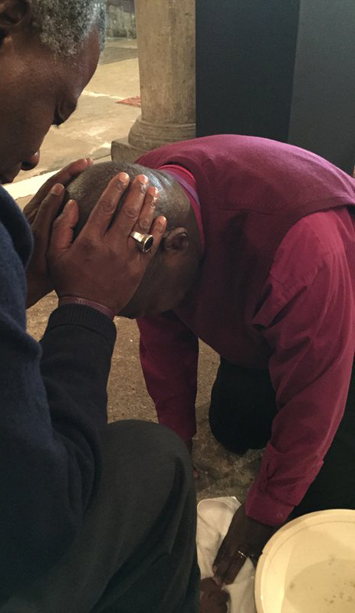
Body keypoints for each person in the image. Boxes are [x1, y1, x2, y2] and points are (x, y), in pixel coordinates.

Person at [0, 1, 229, 612]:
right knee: (158, 461)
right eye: (56, 111)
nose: (32, 157)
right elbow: (38, 518)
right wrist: (86, 309)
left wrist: (10, 279)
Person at [63, 136, 355, 585]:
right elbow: (161, 332)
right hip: (266, 319)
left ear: (177, 245)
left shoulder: (305, 251)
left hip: (340, 316)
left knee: (318, 506)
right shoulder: (143, 199)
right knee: (232, 427)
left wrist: (263, 511)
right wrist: (175, 435)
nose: (139, 318)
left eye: (138, 307)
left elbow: (315, 396)